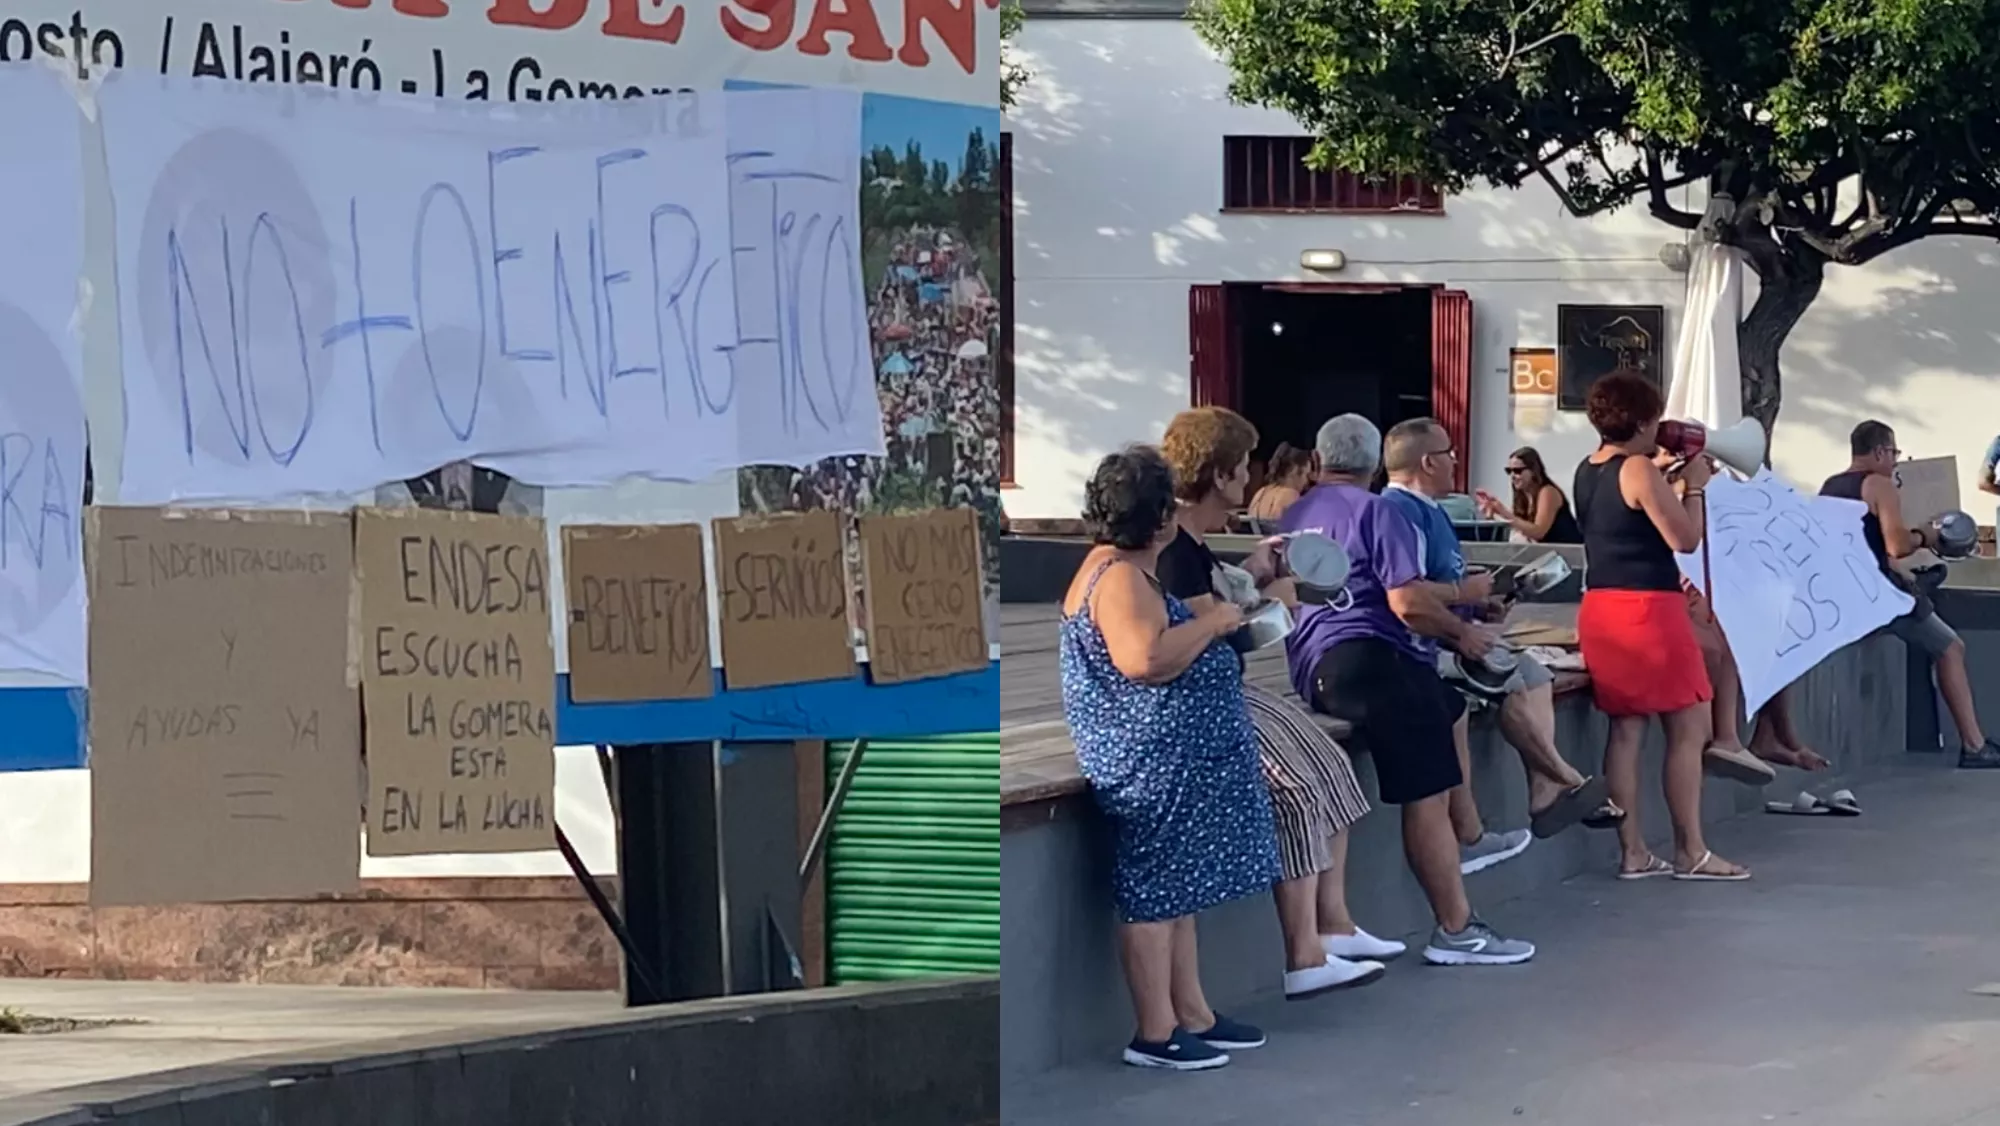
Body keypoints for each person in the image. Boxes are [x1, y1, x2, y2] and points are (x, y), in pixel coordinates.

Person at [1158, 408, 1404, 1001]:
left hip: (1227, 686)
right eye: (1244, 464)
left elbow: (1212, 608)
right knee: (1296, 793)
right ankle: (1304, 955)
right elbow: (1210, 632)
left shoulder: (1191, 542)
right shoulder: (1172, 548)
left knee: (1333, 769)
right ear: (1220, 474)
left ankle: (1335, 924)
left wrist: (1252, 573)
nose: (1254, 474)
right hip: (1197, 695)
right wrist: (1279, 599)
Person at [1281, 414, 1536, 966]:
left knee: (1446, 706)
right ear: (1373, 464)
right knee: (1428, 788)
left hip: (1315, 666)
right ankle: (1456, 928)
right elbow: (1406, 604)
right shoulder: (1376, 511)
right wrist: (1464, 630)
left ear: (1320, 460)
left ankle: (1464, 841)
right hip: (1370, 659)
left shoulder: (1296, 511)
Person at [1060, 445, 1279, 1072]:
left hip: (1173, 757)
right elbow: (1145, 661)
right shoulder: (1121, 577)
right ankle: (1155, 1032)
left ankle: (1193, 1014)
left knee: (1178, 892)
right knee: (1157, 893)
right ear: (1157, 519)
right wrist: (1213, 624)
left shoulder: (1122, 569)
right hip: (1149, 764)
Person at [1378, 419, 1621, 851]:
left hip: (1451, 629)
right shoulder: (1398, 510)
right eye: (1449, 452)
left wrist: (1477, 602)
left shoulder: (1428, 509)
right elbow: (1403, 590)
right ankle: (1563, 776)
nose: (1456, 459)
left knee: (1534, 673)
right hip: (1423, 645)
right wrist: (1460, 596)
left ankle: (1545, 790)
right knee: (1508, 676)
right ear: (1428, 462)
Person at [1572, 372, 1749, 881]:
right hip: (1649, 609)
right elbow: (1685, 539)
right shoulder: (1639, 470)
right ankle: (1691, 850)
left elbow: (1624, 519)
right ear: (1645, 420)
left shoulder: (1589, 468)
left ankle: (1632, 853)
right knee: (1689, 727)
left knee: (1626, 729)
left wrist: (1668, 477)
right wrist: (1692, 488)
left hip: (1602, 608)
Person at [1823, 421, 2000, 768]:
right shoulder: (1879, 485)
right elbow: (1897, 544)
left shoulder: (1830, 486)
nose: (1895, 461)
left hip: (1838, 592)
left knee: (1916, 588)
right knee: (1950, 647)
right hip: (1875, 596)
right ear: (1879, 452)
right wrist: (1927, 536)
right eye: (1893, 453)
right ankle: (1974, 746)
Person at [1474, 447, 1582, 544]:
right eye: (1509, 471)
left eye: (1517, 471)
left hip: (1567, 554)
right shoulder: (1522, 495)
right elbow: (1519, 526)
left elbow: (1538, 532)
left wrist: (1503, 512)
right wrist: (1492, 512)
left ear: (1533, 471)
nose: (1513, 476)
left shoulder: (1548, 491)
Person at [1247, 442, 1314, 525]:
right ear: (1294, 471)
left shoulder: (1261, 492)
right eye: (1306, 475)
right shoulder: (1291, 495)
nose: (1306, 482)